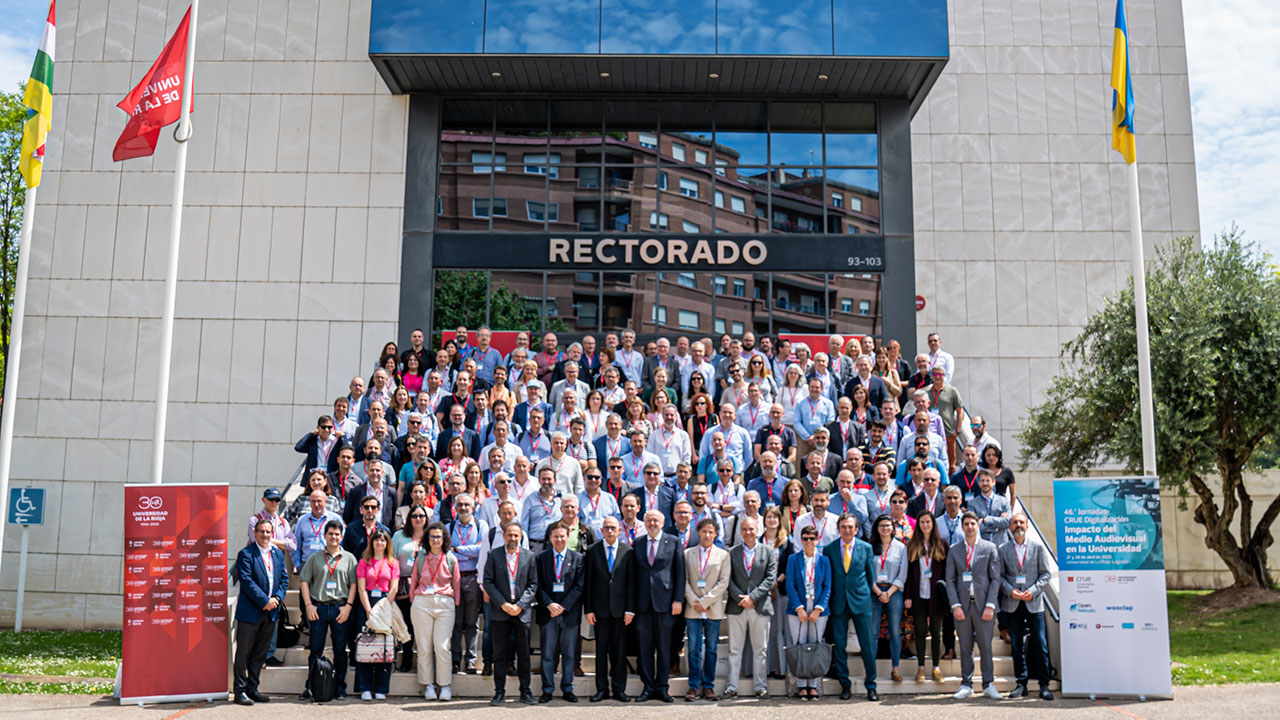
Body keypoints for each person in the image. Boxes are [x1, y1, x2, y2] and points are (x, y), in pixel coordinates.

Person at [629, 509, 685, 703]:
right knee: (644, 649)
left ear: (663, 522)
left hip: (666, 603)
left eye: (656, 520)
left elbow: (680, 572)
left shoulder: (674, 541)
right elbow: (633, 576)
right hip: (643, 604)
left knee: (664, 648)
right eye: (649, 520)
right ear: (644, 522)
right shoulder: (638, 543)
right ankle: (648, 687)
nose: (652, 523)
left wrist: (678, 599)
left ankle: (662, 687)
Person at [822, 513, 880, 701]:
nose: (847, 530)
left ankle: (871, 686)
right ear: (838, 529)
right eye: (843, 527)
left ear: (856, 529)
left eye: (850, 527)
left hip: (861, 602)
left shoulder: (866, 548)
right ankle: (844, 685)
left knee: (867, 645)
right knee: (839, 646)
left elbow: (870, 577)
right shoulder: (829, 549)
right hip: (838, 603)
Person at [945, 511, 1003, 700]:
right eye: (967, 524)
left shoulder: (990, 548)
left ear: (978, 526)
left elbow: (995, 579)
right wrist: (955, 605)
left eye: (973, 524)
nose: (970, 527)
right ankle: (966, 683)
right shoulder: (954, 550)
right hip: (962, 606)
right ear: (962, 527)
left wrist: (990, 605)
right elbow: (950, 579)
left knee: (986, 646)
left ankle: (988, 684)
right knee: (965, 646)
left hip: (983, 606)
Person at [299, 520, 357, 701]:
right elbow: (304, 581)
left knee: (340, 650)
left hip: (340, 609)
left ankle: (340, 687)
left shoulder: (349, 558)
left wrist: (348, 606)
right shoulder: (315, 558)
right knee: (315, 650)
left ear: (341, 536)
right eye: (330, 534)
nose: (334, 537)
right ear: (324, 536)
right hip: (319, 609)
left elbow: (354, 584)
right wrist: (308, 605)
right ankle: (311, 686)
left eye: (337, 534)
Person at [999, 513, 1055, 700]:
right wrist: (1010, 591)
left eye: (1021, 522)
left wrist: (1033, 590)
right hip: (1013, 603)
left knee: (1040, 644)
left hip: (1034, 603)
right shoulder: (1003, 549)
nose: (1018, 525)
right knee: (1016, 646)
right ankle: (1020, 684)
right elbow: (999, 577)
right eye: (1015, 522)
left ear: (1027, 526)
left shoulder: (1038, 547)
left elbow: (1045, 574)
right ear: (1010, 527)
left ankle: (1044, 684)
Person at [233, 518, 288, 706]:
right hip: (251, 612)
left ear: (272, 534)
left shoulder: (278, 555)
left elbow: (284, 580)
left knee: (260, 654)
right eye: (261, 532)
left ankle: (252, 689)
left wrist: (277, 599)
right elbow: (247, 581)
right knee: (243, 654)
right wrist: (264, 601)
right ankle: (239, 691)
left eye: (268, 532)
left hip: (271, 612)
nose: (265, 535)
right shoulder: (246, 554)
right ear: (255, 533)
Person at [483, 521, 539, 705]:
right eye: (510, 535)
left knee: (523, 654)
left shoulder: (530, 557)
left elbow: (533, 584)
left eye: (516, 535)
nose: (513, 538)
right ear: (504, 536)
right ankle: (499, 692)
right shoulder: (494, 555)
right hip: (501, 612)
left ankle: (526, 691)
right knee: (499, 654)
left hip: (522, 612)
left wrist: (521, 604)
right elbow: (488, 582)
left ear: (521, 536)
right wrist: (503, 604)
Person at [724, 515, 777, 699]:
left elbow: (770, 578)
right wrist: (741, 598)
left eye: (751, 529)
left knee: (760, 650)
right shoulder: (732, 552)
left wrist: (752, 597)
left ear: (758, 530)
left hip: (759, 606)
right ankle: (731, 687)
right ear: (740, 531)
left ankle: (760, 687)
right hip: (737, 606)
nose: (748, 532)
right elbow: (727, 578)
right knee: (734, 649)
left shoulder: (768, 552)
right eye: (745, 529)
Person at [583, 515, 634, 702]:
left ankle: (619, 689)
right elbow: (588, 583)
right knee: (601, 652)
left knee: (619, 652)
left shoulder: (628, 551)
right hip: (600, 611)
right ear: (602, 531)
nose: (610, 531)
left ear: (619, 530)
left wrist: (630, 610)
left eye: (613, 527)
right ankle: (602, 689)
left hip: (621, 612)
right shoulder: (592, 551)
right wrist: (588, 609)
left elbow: (631, 584)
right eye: (607, 528)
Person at [682, 518, 731, 702]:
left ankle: (708, 686)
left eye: (711, 532)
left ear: (716, 534)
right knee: (694, 649)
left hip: (713, 608)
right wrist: (695, 600)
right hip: (693, 608)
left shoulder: (723, 555)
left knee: (711, 649)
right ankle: (694, 686)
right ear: (699, 532)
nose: (707, 535)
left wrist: (706, 601)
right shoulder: (687, 554)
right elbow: (684, 580)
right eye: (704, 531)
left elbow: (723, 581)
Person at [536, 522, 585, 703]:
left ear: (568, 536)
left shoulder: (578, 558)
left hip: (569, 614)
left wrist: (562, 606)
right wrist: (549, 604)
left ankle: (567, 688)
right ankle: (547, 689)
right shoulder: (541, 558)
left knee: (569, 654)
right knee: (548, 654)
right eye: (555, 536)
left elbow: (580, 587)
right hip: (548, 613)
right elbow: (537, 585)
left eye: (562, 536)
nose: (559, 540)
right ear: (550, 538)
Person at [784, 525, 831, 701]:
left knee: (816, 644)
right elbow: (790, 585)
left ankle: (814, 685)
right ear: (801, 540)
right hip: (798, 608)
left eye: (812, 538)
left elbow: (827, 587)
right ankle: (802, 685)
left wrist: (819, 608)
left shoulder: (824, 560)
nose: (809, 542)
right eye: (805, 538)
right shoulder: (793, 559)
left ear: (817, 540)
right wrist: (799, 608)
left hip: (819, 608)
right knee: (800, 645)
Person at [905, 510, 949, 683]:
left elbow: (946, 572)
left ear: (933, 524)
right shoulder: (912, 545)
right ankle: (921, 667)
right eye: (922, 522)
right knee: (920, 631)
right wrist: (908, 595)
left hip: (936, 595)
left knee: (937, 632)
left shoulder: (942, 544)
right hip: (918, 594)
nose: (925, 525)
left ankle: (936, 667)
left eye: (928, 522)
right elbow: (907, 573)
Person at [354, 529, 398, 701]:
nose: (380, 543)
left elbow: (394, 587)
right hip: (367, 605)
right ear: (372, 542)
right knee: (365, 645)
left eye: (383, 540)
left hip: (385, 604)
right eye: (377, 540)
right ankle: (364, 687)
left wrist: (383, 607)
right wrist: (368, 609)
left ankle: (381, 687)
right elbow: (361, 587)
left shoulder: (393, 563)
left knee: (384, 646)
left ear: (387, 543)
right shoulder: (364, 562)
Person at [868, 514, 909, 684]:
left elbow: (903, 573)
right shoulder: (870, 547)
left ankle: (895, 669)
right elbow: (867, 573)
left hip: (894, 590)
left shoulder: (900, 548)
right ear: (877, 528)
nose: (885, 528)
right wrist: (878, 592)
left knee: (894, 631)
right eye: (882, 525)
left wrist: (889, 592)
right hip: (875, 590)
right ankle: (871, 671)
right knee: (873, 632)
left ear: (893, 528)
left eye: (888, 525)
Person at [448, 493, 485, 674]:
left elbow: (482, 549)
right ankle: (455, 659)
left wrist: (458, 550)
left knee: (472, 622)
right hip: (453, 579)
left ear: (473, 507)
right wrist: (469, 553)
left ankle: (470, 660)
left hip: (473, 578)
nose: (463, 508)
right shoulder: (449, 526)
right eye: (460, 505)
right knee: (455, 622)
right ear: (455, 507)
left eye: (466, 505)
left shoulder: (481, 525)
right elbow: (447, 553)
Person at [761, 506, 793, 679]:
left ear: (780, 520)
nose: (772, 520)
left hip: (781, 589)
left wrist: (776, 582)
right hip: (763, 592)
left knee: (782, 629)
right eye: (769, 517)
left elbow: (790, 565)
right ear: (764, 520)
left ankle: (783, 667)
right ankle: (770, 667)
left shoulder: (787, 541)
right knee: (769, 630)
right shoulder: (759, 540)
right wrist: (766, 586)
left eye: (775, 517)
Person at [969, 468, 1012, 545]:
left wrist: (986, 520)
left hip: (1002, 545)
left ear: (994, 482)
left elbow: (1008, 522)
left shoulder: (1004, 501)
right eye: (982, 481)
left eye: (988, 480)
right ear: (978, 483)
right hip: (982, 546)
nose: (985, 483)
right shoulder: (972, 504)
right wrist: (999, 523)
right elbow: (973, 526)